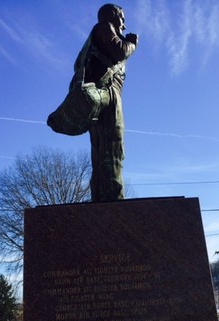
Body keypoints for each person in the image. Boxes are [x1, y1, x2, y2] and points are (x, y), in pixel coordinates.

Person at [71, 4, 138, 202]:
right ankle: (114, 202)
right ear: (113, 17)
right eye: (122, 19)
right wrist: (132, 44)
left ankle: (102, 198)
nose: (124, 25)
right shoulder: (104, 27)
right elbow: (120, 51)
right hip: (108, 95)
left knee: (102, 152)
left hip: (99, 96)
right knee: (113, 148)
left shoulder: (96, 36)